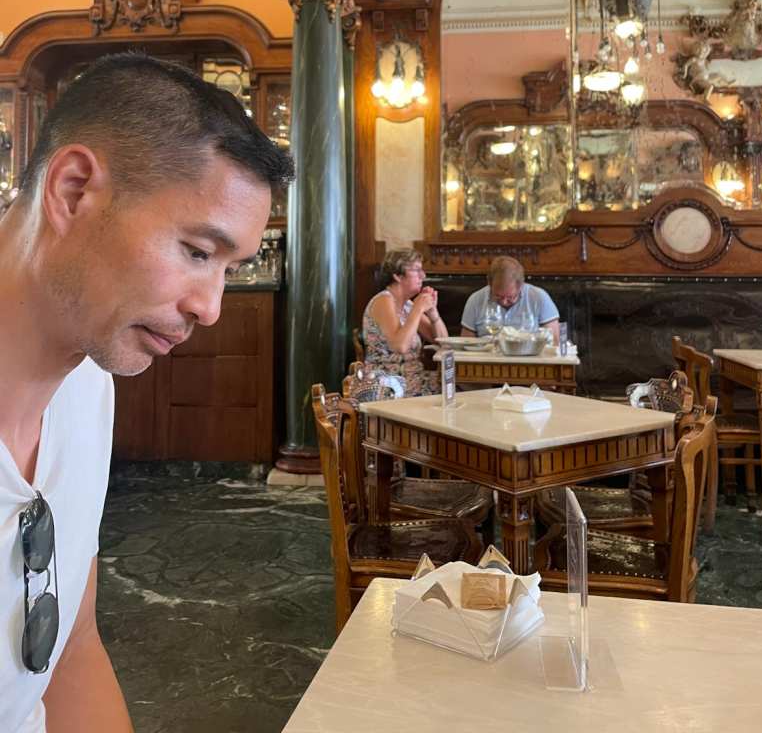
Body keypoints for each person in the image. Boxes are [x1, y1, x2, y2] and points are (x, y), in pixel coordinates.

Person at [0, 53, 294, 733]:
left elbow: (70, 651)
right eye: (197, 251)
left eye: (230, 268)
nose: (211, 307)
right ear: (72, 191)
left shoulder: (89, 392)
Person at [362, 249, 448, 396]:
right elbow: (400, 346)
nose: (423, 276)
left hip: (412, 380)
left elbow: (443, 342)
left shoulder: (408, 305)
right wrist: (419, 308)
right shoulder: (384, 300)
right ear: (397, 276)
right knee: (453, 391)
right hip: (387, 384)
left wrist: (434, 314)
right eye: (417, 270)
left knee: (457, 386)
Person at [460, 256, 560, 342]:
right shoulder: (475, 300)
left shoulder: (539, 298)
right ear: (489, 283)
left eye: (511, 297)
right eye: (498, 296)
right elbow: (466, 342)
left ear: (521, 286)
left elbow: (554, 342)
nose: (504, 302)